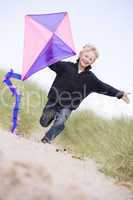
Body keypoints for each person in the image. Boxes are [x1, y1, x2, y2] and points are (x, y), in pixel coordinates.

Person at [40, 44, 130, 144]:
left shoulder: (90, 78)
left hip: (68, 106)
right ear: (80, 55)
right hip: (53, 101)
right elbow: (51, 62)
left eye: (90, 59)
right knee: (44, 122)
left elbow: (104, 87)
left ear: (92, 62)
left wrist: (120, 94)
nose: (87, 60)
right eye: (86, 56)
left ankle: (47, 139)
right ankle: (47, 120)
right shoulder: (66, 66)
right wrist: (47, 50)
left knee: (60, 122)